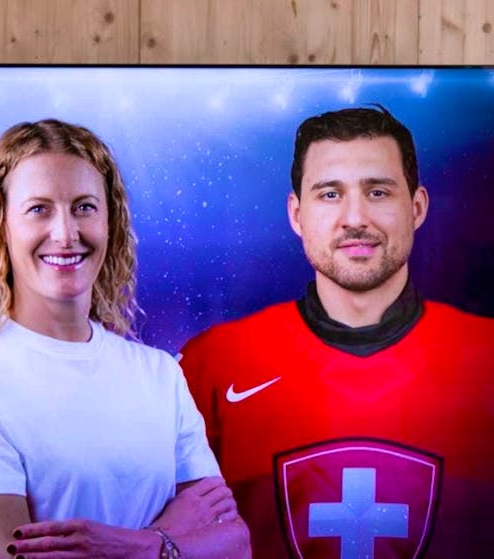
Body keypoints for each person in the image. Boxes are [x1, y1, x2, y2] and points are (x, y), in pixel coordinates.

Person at [0, 119, 251, 559]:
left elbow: (236, 543)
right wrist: (174, 541)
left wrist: (143, 546)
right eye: (39, 209)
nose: (66, 234)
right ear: (0, 226)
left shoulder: (160, 375)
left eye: (84, 207)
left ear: (110, 221)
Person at [180, 105, 494, 557]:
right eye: (330, 194)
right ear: (296, 214)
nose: (354, 218)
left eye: (378, 192)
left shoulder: (486, 357)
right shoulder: (213, 363)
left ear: (417, 207)